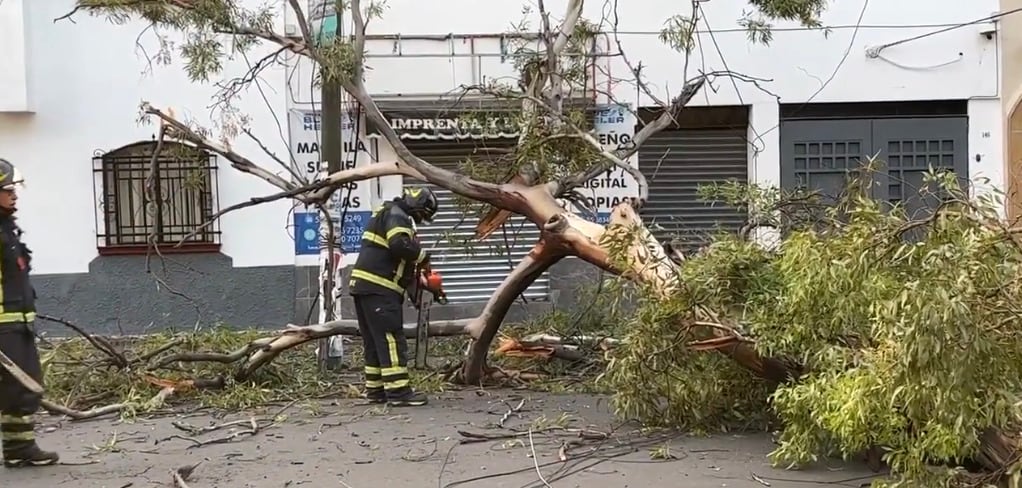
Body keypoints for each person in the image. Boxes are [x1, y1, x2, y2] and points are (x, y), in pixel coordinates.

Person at [349, 186, 439, 407]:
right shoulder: (397, 216)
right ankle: (398, 393)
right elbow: (399, 245)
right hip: (379, 289)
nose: (419, 219)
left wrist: (420, 287)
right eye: (421, 215)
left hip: (366, 287)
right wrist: (424, 256)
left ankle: (377, 390)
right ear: (417, 205)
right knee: (390, 339)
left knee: (374, 340)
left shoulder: (387, 213)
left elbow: (398, 261)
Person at [0, 158, 59, 467]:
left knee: (22, 388)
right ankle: (17, 449)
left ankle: (18, 448)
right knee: (17, 387)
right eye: (8, 189)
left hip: (18, 327)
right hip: (2, 329)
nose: (15, 195)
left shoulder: (7, 231)